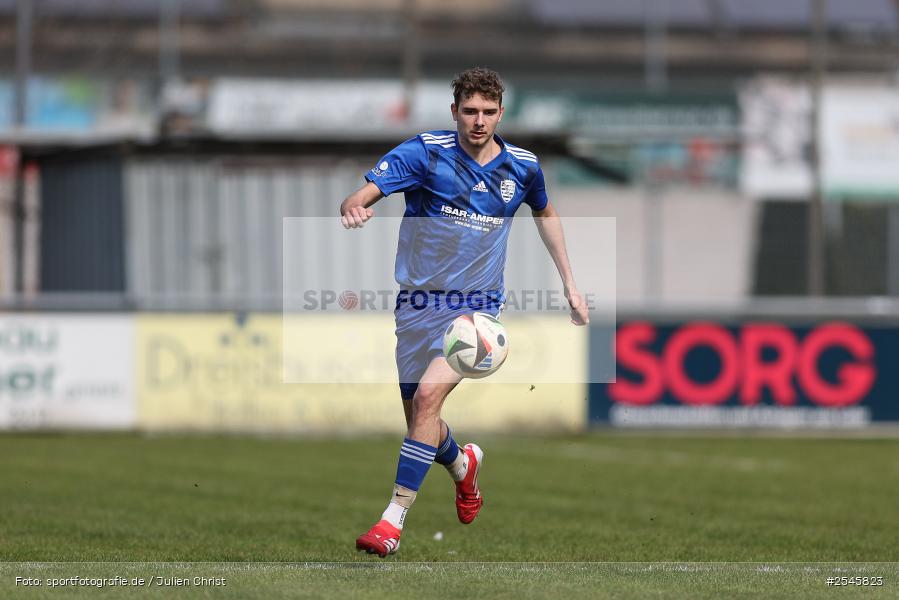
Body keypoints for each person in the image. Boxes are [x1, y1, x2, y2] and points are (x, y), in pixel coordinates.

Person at [340, 67, 589, 558]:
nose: (479, 121)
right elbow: (363, 192)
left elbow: (545, 213)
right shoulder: (425, 153)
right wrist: (355, 206)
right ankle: (463, 466)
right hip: (416, 305)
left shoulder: (522, 166)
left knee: (429, 398)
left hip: (475, 311)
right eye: (470, 111)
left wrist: (570, 284)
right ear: (455, 112)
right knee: (421, 419)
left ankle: (391, 522)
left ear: (501, 112)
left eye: (489, 112)